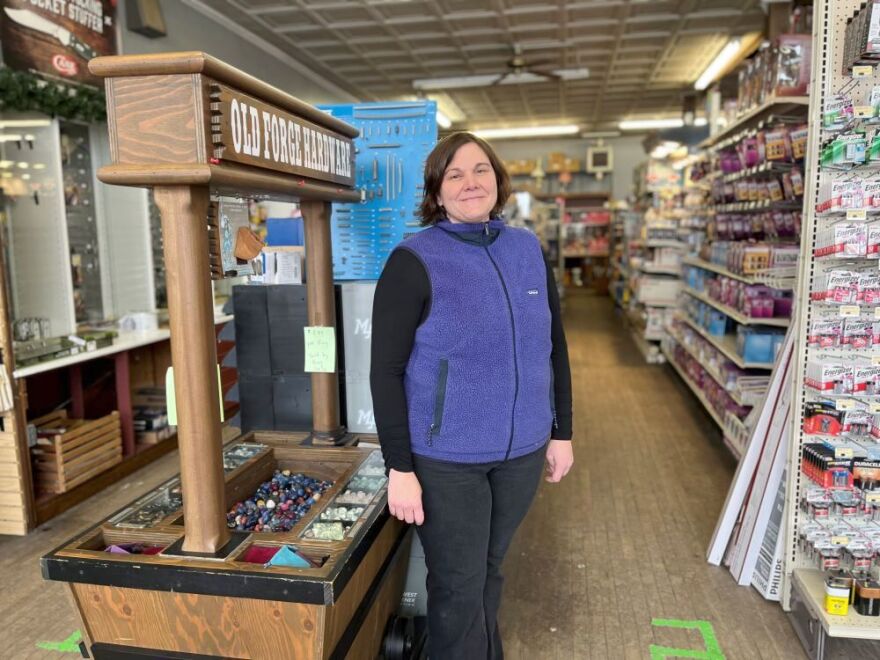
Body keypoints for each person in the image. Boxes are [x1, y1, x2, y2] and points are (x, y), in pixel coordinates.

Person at [370, 131, 573, 659]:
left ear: (498, 181)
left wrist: (561, 432)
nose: (470, 183)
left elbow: (553, 346)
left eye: (480, 170)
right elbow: (384, 372)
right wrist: (400, 467)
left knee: (488, 570)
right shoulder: (413, 261)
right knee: (458, 585)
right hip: (445, 460)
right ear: (437, 192)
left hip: (522, 453)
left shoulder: (526, 249)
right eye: (454, 174)